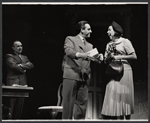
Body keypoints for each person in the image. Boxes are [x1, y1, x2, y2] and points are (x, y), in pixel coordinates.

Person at [62, 20, 103, 120]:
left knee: (82, 106)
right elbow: (69, 52)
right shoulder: (70, 39)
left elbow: (94, 59)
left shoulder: (90, 46)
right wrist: (83, 55)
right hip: (72, 74)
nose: (91, 31)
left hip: (84, 77)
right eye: (89, 29)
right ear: (82, 30)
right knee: (68, 105)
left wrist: (100, 58)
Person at [101, 21, 137, 120]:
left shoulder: (125, 42)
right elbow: (105, 60)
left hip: (125, 71)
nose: (107, 32)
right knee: (115, 97)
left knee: (125, 98)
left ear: (115, 31)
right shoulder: (108, 44)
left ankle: (127, 120)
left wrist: (118, 57)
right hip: (113, 71)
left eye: (109, 30)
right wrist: (108, 57)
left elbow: (134, 56)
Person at [6, 40, 34, 119]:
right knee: (11, 107)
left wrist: (21, 65)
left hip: (23, 83)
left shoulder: (25, 57)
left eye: (21, 46)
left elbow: (31, 65)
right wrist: (24, 67)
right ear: (13, 48)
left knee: (19, 108)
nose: (20, 48)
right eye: (17, 46)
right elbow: (14, 66)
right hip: (13, 82)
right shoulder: (9, 56)